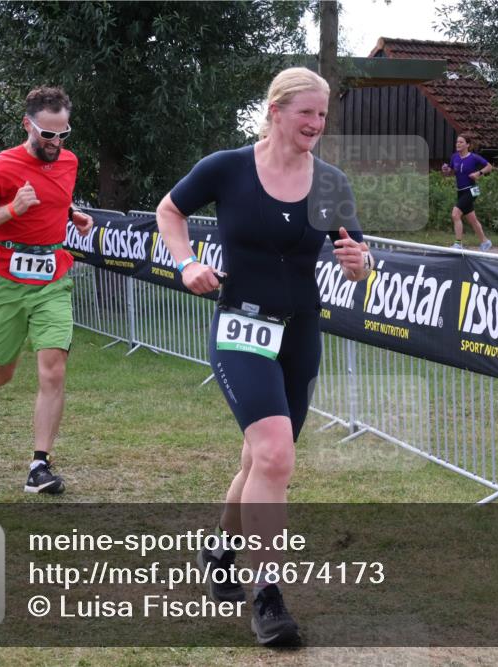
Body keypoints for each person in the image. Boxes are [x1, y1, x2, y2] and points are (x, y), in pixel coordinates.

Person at [156, 67, 373, 647]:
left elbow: (357, 251)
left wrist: (360, 264)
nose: (316, 125)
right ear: (276, 111)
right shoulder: (226, 167)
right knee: (275, 456)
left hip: (300, 331)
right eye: (306, 113)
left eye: (322, 115)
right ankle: (269, 596)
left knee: (261, 460)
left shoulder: (329, 182)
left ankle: (221, 550)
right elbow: (168, 212)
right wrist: (186, 263)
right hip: (240, 326)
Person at [0, 86, 93, 494]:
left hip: (53, 278)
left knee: (53, 370)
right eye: (46, 135)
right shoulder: (1, 167)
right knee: (4, 372)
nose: (55, 143)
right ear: (27, 125)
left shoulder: (69, 162)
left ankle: (39, 466)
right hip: (7, 281)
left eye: (62, 134)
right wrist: (11, 210)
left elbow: (54, 195)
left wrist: (71, 214)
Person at [441, 134, 493, 251]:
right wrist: (446, 170)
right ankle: (485, 242)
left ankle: (458, 244)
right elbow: (451, 172)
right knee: (472, 219)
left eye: (461, 142)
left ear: (468, 145)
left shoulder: (474, 157)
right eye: (457, 142)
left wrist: (478, 173)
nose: (458, 144)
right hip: (460, 191)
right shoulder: (454, 157)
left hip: (471, 190)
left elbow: (489, 166)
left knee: (455, 214)